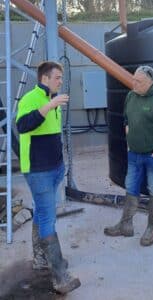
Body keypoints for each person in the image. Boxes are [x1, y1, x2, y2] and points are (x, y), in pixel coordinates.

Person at [16, 61, 81, 294]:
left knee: (42, 212)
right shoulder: (31, 99)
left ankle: (41, 259)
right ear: (45, 78)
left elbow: (53, 133)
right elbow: (22, 126)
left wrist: (61, 164)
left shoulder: (54, 100)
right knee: (48, 218)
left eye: (61, 78)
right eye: (57, 78)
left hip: (54, 168)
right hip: (38, 170)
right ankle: (60, 277)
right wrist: (48, 105)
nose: (60, 81)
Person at [104, 65, 153, 246]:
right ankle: (125, 225)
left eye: (139, 81)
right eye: (133, 79)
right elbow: (127, 120)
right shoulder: (131, 96)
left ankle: (151, 229)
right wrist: (130, 145)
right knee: (131, 188)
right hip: (134, 155)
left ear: (151, 82)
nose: (134, 84)